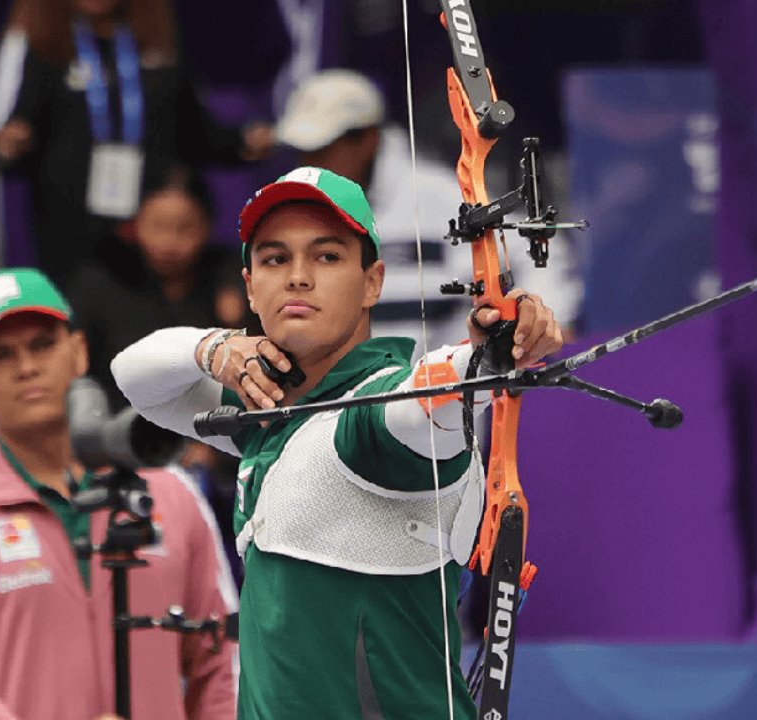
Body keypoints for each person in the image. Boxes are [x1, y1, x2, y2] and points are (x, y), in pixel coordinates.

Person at [111, 166, 564, 719]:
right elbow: (134, 378)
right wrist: (215, 347)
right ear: (250, 286)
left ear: (373, 281)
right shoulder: (270, 414)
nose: (298, 277)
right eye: (275, 258)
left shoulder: (375, 423)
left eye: (327, 257)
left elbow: (425, 401)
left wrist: (490, 354)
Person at [0, 268, 238, 720]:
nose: (27, 367)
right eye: (1, 355)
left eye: (43, 345)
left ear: (78, 352)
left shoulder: (171, 492)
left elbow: (225, 657)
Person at [274, 69, 579, 355]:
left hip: (442, 395)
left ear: (368, 139)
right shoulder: (298, 209)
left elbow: (533, 248)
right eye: (303, 150)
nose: (309, 160)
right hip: (348, 400)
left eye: (322, 148)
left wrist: (542, 319)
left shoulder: (439, 195)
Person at [0, 0, 274, 284]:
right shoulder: (39, 45)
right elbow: (11, 134)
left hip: (152, 236)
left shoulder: (159, 42)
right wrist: (7, 146)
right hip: (68, 235)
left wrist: (242, 142)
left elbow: (194, 132)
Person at [68, 162, 247, 412]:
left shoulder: (231, 282)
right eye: (158, 226)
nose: (170, 242)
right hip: (120, 433)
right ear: (135, 224)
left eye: (184, 228)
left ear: (208, 227)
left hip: (213, 433)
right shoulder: (100, 284)